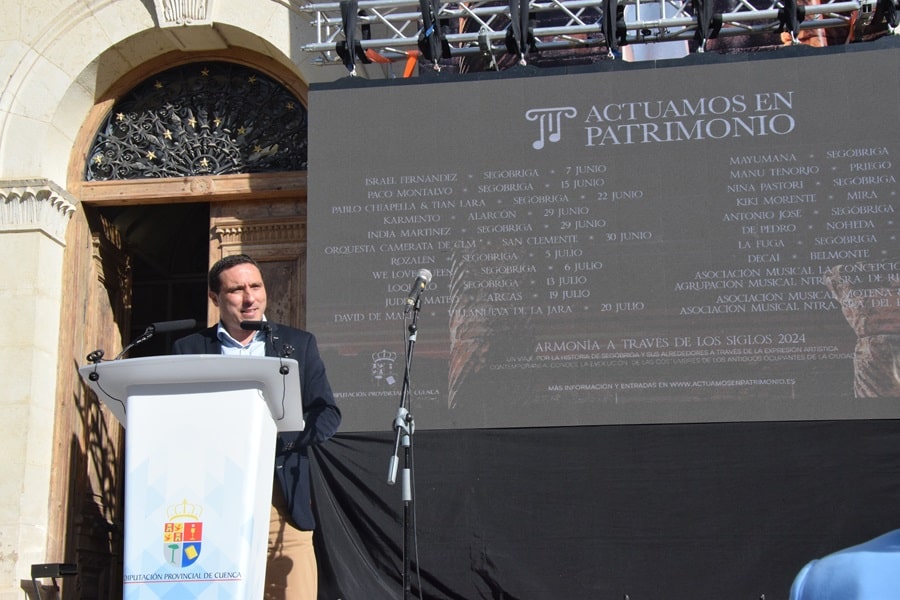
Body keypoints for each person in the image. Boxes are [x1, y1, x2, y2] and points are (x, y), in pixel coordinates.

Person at [172, 253, 341, 600]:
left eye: (256, 286)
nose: (250, 298)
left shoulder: (298, 344)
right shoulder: (188, 349)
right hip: (212, 501)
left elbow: (327, 413)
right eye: (237, 290)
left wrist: (283, 437)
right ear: (215, 298)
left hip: (281, 501)